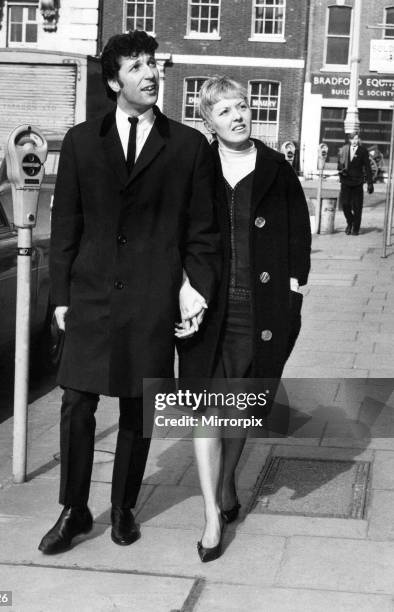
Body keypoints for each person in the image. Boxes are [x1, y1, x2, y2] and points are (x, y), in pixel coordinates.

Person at [38, 30, 221, 555]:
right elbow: (67, 224)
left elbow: (202, 234)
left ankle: (122, 508)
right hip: (92, 296)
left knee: (139, 408)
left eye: (153, 64)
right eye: (137, 66)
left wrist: (196, 290)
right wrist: (61, 299)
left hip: (151, 298)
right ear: (114, 80)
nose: (150, 73)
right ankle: (74, 510)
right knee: (77, 402)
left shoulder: (187, 146)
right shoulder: (79, 141)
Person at [177, 76, 311, 562]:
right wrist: (181, 288)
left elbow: (299, 236)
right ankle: (212, 513)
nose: (237, 116)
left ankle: (228, 481)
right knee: (205, 408)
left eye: (242, 106)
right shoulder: (196, 166)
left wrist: (295, 291)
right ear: (207, 121)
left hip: (260, 310)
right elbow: (175, 232)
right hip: (205, 309)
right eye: (224, 110)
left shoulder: (277, 169)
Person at [337, 132, 374, 236]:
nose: (355, 141)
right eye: (353, 139)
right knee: (345, 205)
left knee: (357, 207)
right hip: (346, 181)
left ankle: (355, 229)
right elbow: (339, 164)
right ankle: (350, 222)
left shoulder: (363, 151)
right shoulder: (343, 150)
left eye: (356, 139)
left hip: (357, 182)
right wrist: (341, 170)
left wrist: (370, 183)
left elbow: (367, 167)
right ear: (349, 140)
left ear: (358, 139)